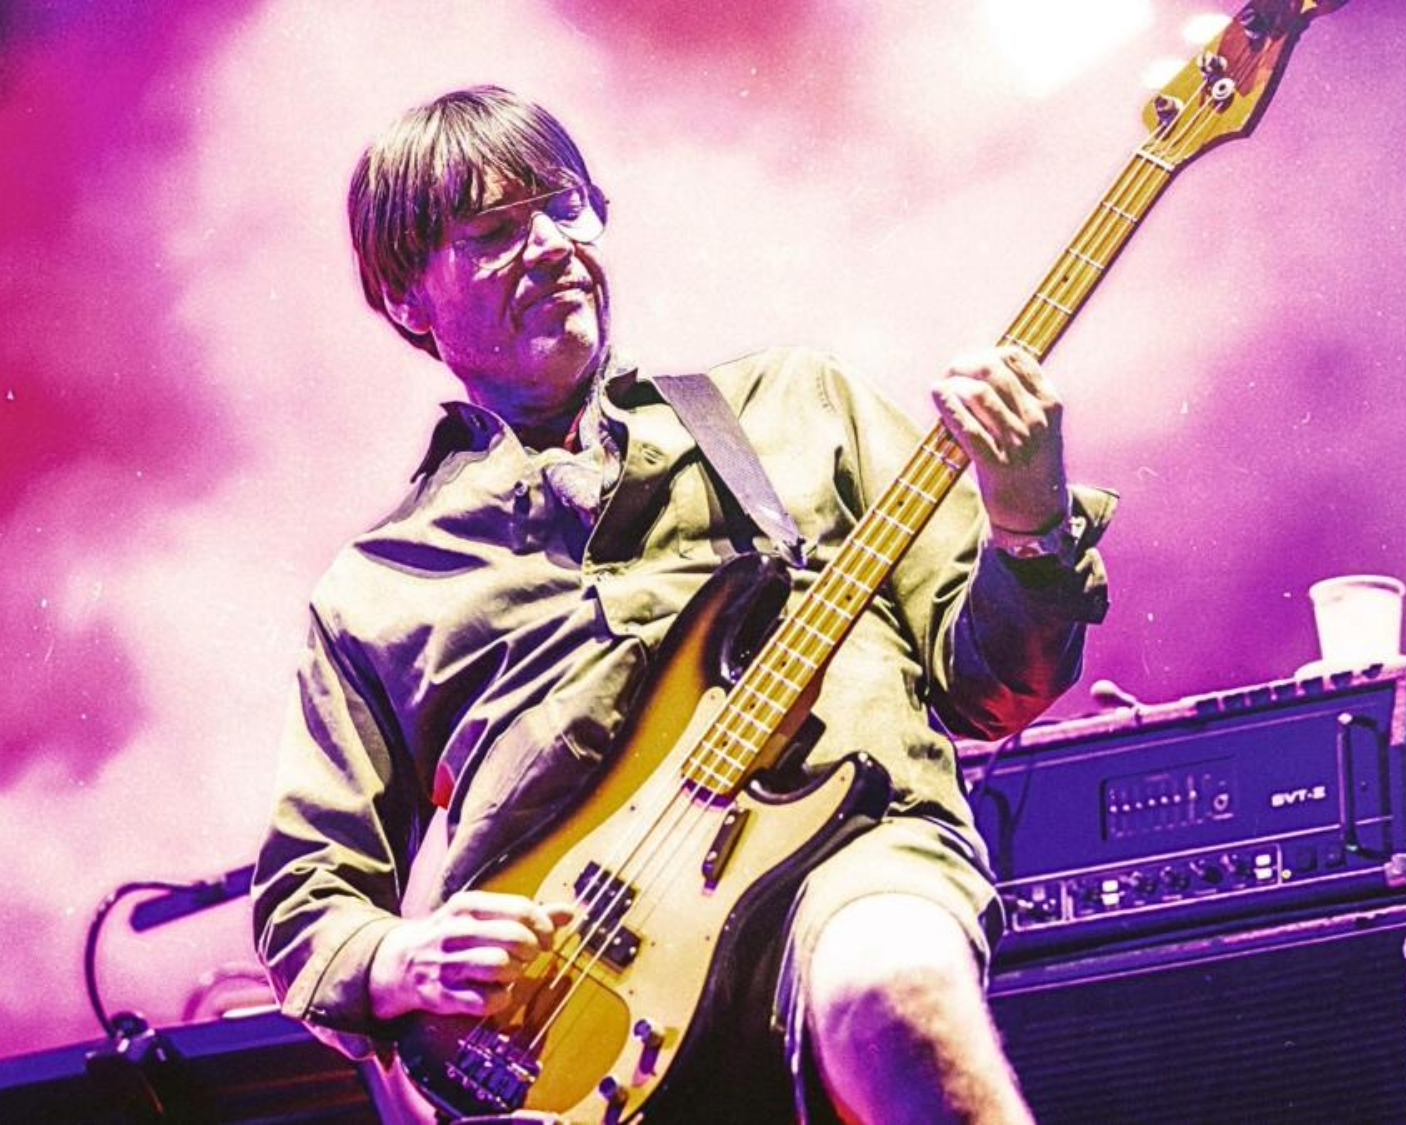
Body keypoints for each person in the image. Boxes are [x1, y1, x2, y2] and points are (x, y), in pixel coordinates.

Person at [252, 85, 1115, 1125]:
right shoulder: (377, 588)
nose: (554, 246)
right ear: (404, 297)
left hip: (841, 868)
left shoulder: (796, 409)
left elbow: (994, 689)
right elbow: (309, 892)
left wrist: (1028, 523)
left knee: (893, 990)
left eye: (566, 207)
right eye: (494, 231)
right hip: (560, 1026)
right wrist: (399, 957)